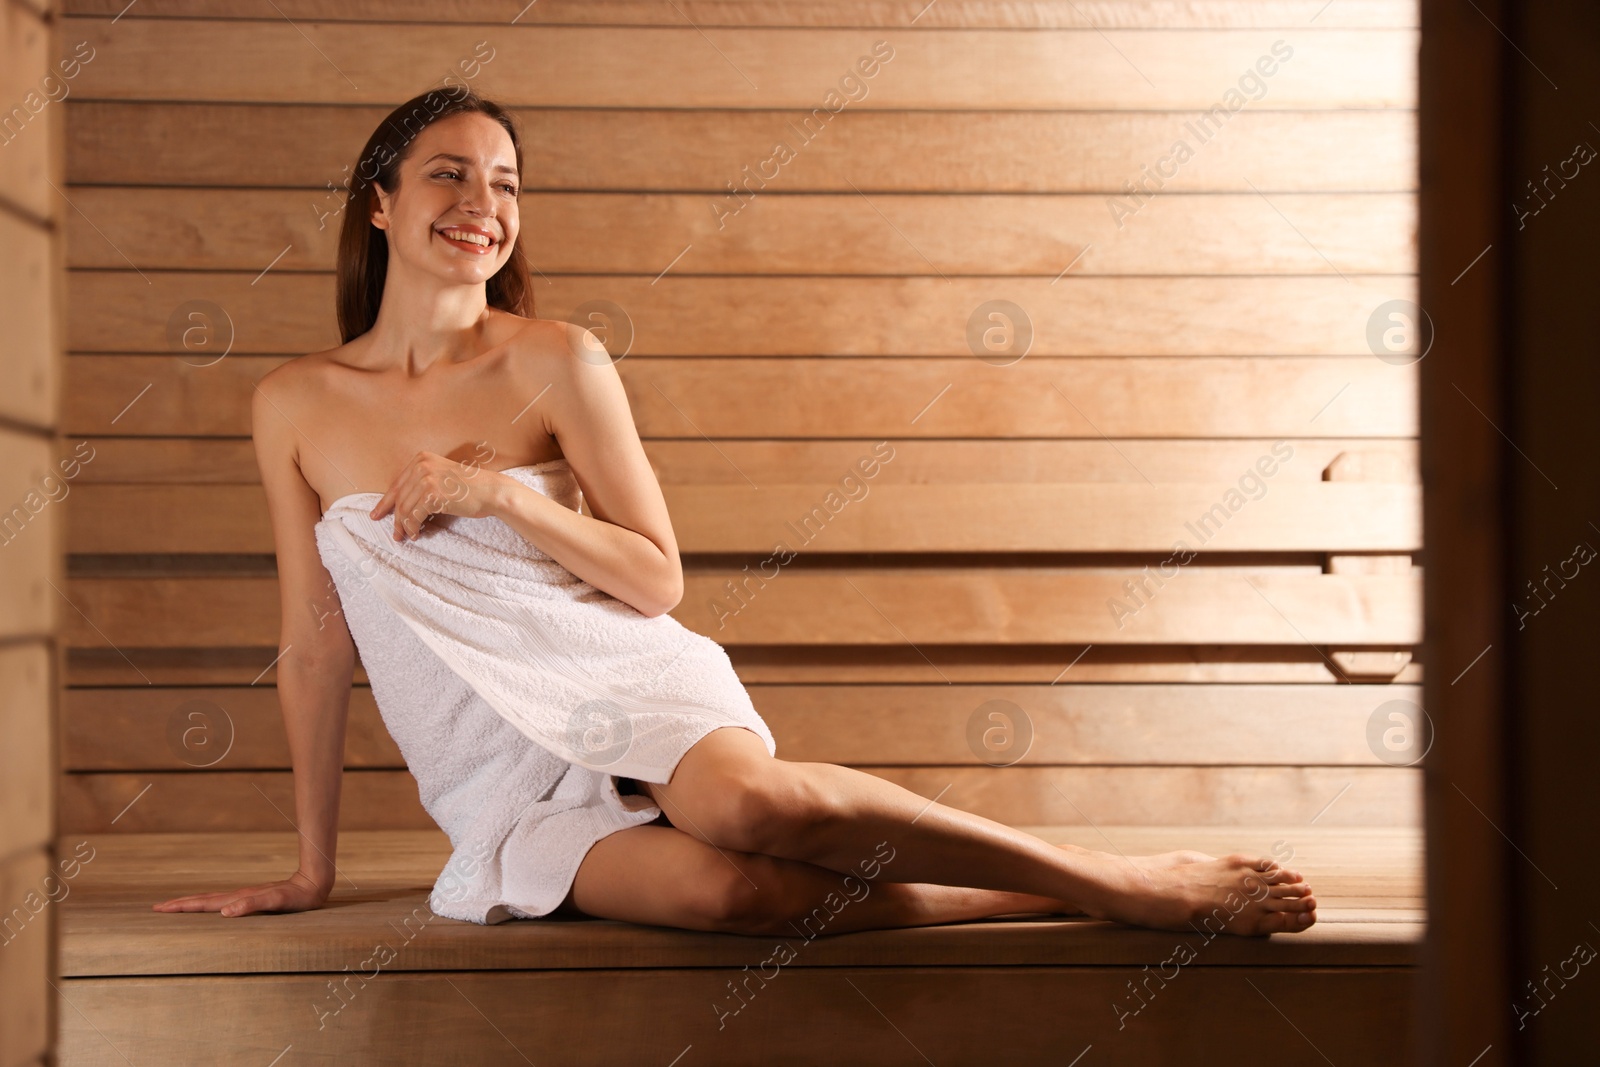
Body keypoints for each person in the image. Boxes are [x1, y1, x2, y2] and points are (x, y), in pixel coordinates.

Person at [154, 90, 1316, 937]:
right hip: (495, 765)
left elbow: (654, 579)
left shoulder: (558, 356)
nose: (483, 203)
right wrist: (312, 869)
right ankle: (1048, 888)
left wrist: (496, 492)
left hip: (620, 675)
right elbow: (313, 641)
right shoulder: (294, 401)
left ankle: (1115, 882)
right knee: (726, 891)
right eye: (450, 174)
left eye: (506, 183)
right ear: (379, 202)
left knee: (744, 805)